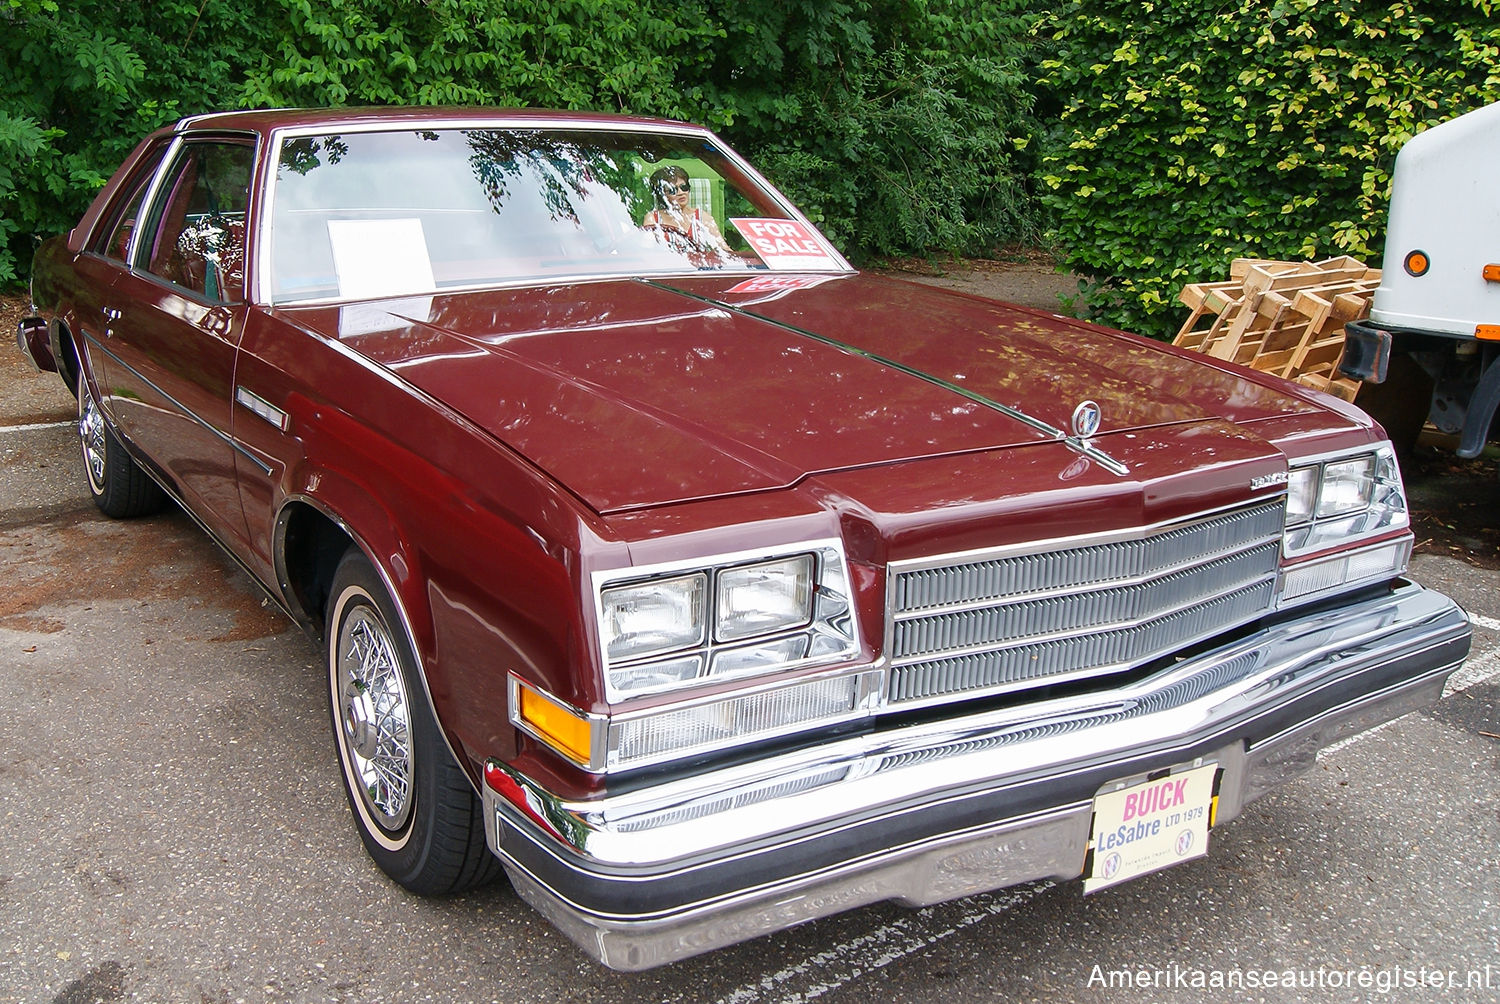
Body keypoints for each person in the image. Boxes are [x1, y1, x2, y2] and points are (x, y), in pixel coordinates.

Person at [641, 166, 732, 264]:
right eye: (673, 190)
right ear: (662, 195)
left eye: (684, 187)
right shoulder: (653, 218)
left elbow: (724, 249)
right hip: (667, 268)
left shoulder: (702, 217)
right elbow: (646, 252)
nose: (681, 193)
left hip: (698, 269)